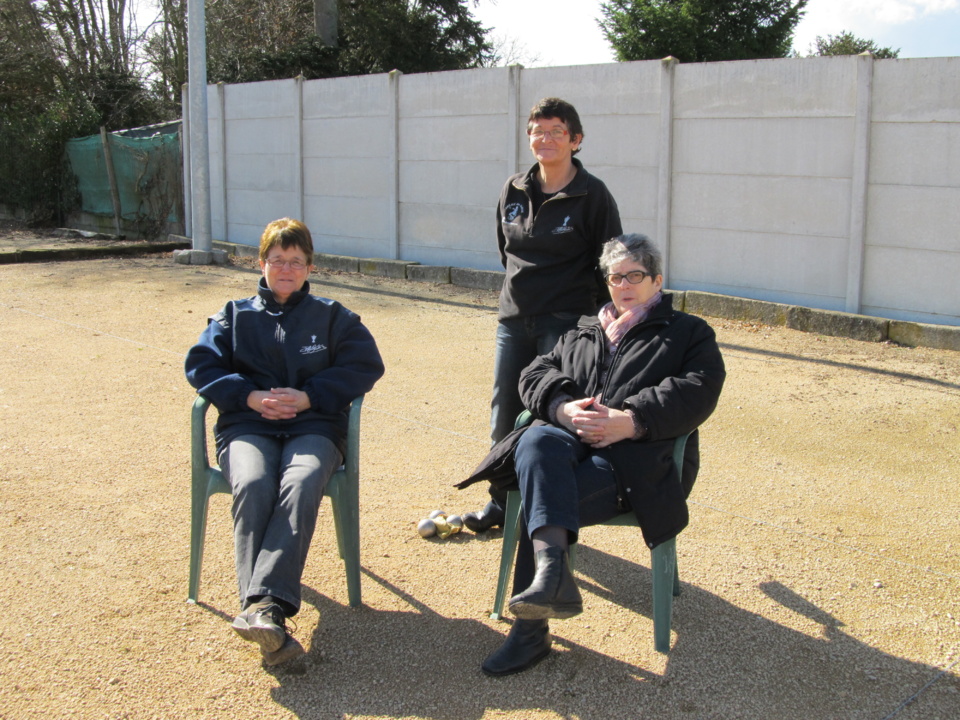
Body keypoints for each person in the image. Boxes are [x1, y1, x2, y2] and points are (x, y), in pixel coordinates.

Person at [459, 234, 726, 676]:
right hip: (568, 450)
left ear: (656, 281)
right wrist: (563, 407)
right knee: (537, 442)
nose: (624, 285)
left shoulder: (687, 333)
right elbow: (535, 371)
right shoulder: (584, 330)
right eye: (615, 276)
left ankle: (531, 631)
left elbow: (699, 388)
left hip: (635, 468)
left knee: (540, 500)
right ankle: (551, 576)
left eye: (635, 276)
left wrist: (631, 420)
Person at [185, 218, 385, 666]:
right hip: (246, 427)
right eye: (278, 260)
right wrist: (249, 397)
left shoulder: (335, 318)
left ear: (310, 268)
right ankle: (267, 612)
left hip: (313, 427)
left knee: (302, 480)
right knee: (254, 483)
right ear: (262, 264)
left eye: (296, 262)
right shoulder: (233, 315)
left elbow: (366, 366)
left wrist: (310, 396)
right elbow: (201, 365)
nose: (287, 270)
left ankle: (262, 610)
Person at [463, 97, 623, 534]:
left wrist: (590, 318)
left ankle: (548, 512)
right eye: (537, 130)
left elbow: (610, 262)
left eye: (556, 131)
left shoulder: (593, 195)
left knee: (552, 413)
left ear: (576, 140)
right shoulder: (512, 189)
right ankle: (501, 502)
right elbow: (506, 252)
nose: (545, 138)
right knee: (505, 411)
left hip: (566, 323)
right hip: (514, 319)